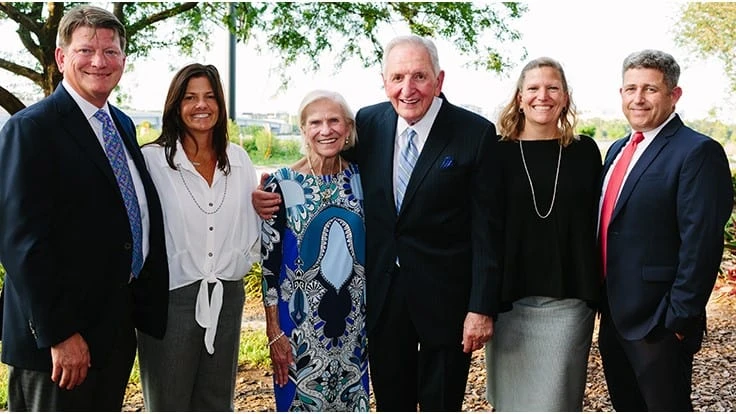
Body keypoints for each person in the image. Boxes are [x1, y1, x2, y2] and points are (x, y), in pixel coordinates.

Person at [254, 35, 500, 411]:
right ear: (384, 81)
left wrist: (480, 308)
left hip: (446, 301)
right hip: (381, 301)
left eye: (419, 76)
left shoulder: (474, 133)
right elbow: (325, 159)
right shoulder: (369, 123)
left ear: (440, 79)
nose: (408, 88)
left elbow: (487, 229)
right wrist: (271, 191)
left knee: (442, 403)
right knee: (391, 403)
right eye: (397, 77)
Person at [0, 5, 169, 411]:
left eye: (111, 52)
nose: (99, 61)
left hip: (112, 334)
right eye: (86, 50)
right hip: (59, 347)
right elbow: (20, 241)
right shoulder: (31, 128)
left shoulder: (123, 125)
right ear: (61, 58)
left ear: (123, 61)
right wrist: (60, 334)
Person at [598, 49, 733, 411]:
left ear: (674, 95)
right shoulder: (616, 151)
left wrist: (678, 318)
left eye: (650, 89)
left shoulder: (698, 152)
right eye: (630, 89)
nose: (638, 99)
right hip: (613, 318)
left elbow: (702, 242)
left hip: (658, 323)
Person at [136, 63, 260, 411]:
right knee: (168, 403)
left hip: (226, 295)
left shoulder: (238, 159)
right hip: (170, 297)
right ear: (176, 105)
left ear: (220, 105)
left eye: (209, 97)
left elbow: (253, 220)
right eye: (190, 97)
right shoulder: (152, 159)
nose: (200, 105)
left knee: (217, 402)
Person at [483, 57, 601, 411]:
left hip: (568, 301)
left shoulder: (585, 152)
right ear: (519, 97)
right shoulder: (497, 152)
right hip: (509, 304)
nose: (542, 96)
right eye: (533, 88)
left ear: (565, 97)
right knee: (511, 403)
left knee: (556, 403)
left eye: (552, 88)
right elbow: (485, 227)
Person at [260, 89, 369, 411]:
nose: (326, 130)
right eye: (316, 122)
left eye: (334, 120)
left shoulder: (363, 179)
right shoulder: (281, 184)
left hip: (354, 328)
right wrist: (274, 332)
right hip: (298, 328)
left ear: (348, 128)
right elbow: (269, 265)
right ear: (303, 129)